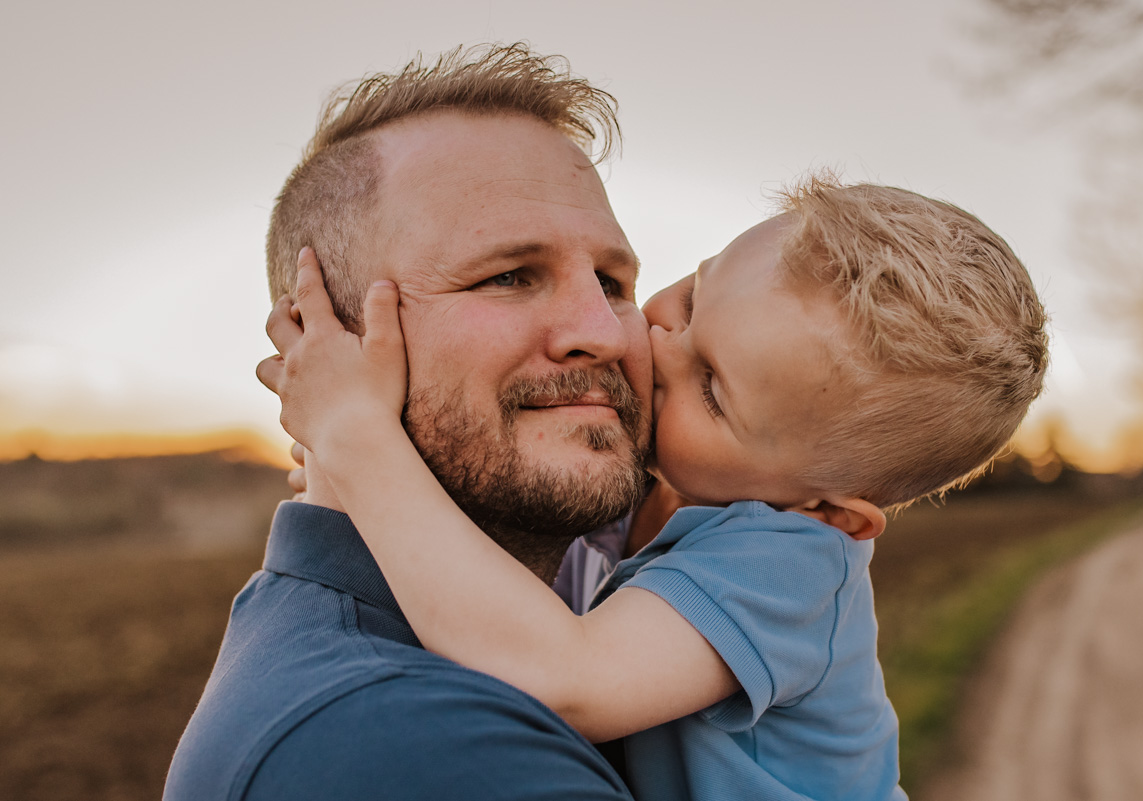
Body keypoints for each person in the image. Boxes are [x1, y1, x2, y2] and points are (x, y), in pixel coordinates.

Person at [257, 177, 1049, 801]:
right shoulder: (670, 497)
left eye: (710, 388)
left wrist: (359, 441)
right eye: (694, 300)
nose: (658, 345)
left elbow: (565, 676)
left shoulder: (790, 562)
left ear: (831, 511)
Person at [164, 43, 652, 801]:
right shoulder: (415, 740)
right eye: (509, 275)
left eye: (613, 281)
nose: (607, 332)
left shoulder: (592, 588)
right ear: (321, 340)